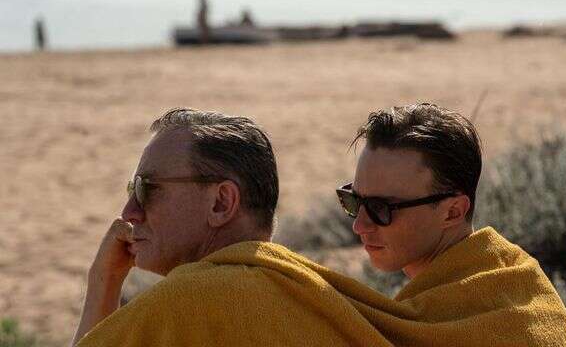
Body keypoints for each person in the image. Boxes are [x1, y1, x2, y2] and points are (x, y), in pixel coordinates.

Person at [72, 108, 398, 347]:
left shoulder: (186, 302)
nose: (129, 212)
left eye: (148, 189)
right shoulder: (322, 294)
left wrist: (103, 284)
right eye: (132, 189)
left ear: (221, 202)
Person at [335, 103, 566, 346]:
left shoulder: (513, 319)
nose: (360, 226)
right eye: (354, 200)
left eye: (380, 208)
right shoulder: (518, 287)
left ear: (452, 212)